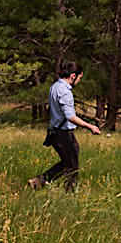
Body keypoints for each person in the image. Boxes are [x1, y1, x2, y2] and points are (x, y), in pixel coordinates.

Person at [28, 61, 101, 192]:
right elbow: (70, 116)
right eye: (79, 78)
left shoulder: (55, 86)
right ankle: (70, 193)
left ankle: (38, 182)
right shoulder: (65, 92)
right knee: (72, 167)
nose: (79, 81)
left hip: (56, 132)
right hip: (63, 134)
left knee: (68, 162)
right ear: (73, 76)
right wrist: (90, 126)